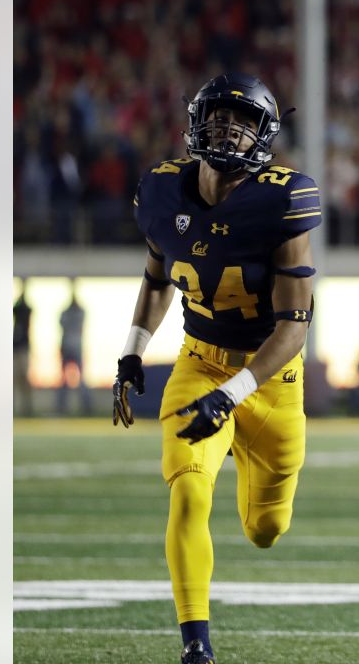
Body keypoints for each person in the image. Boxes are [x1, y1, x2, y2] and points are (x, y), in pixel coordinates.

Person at [110, 73, 322, 664]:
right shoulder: (160, 189)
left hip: (270, 379)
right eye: (220, 116)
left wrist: (234, 396)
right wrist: (132, 350)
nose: (230, 127)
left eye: (245, 120)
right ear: (195, 123)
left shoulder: (283, 200)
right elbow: (156, 276)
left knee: (265, 530)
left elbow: (293, 327)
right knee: (187, 494)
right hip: (199, 364)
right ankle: (195, 645)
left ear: (265, 134)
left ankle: (236, 445)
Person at [57, 285, 92, 415]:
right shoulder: (68, 312)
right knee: (64, 380)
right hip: (69, 347)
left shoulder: (78, 312)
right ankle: (62, 407)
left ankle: (86, 407)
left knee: (80, 379)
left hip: (74, 346)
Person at [14, 282, 34, 417]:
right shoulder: (17, 309)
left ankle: (27, 408)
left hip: (23, 348)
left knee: (24, 379)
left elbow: (25, 309)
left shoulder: (27, 310)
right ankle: (15, 408)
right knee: (15, 378)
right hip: (16, 348)